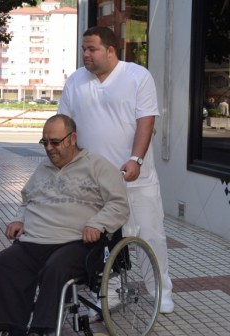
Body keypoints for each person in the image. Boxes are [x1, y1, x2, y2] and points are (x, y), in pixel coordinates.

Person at [0, 114, 130, 336]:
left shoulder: (98, 166)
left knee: (55, 268)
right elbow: (27, 200)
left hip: (76, 243)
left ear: (73, 139)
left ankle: (36, 334)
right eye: (45, 142)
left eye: (55, 142)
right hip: (34, 241)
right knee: (1, 263)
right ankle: (13, 335)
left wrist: (97, 224)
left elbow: (120, 205)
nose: (49, 148)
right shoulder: (44, 168)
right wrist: (19, 219)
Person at [58, 26, 175, 314]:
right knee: (99, 242)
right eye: (84, 49)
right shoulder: (75, 81)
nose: (85, 54)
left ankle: (161, 291)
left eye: (92, 49)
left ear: (111, 51)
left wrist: (135, 159)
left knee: (150, 236)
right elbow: (64, 125)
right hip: (93, 183)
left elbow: (146, 122)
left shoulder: (137, 76)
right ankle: (109, 295)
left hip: (135, 178)